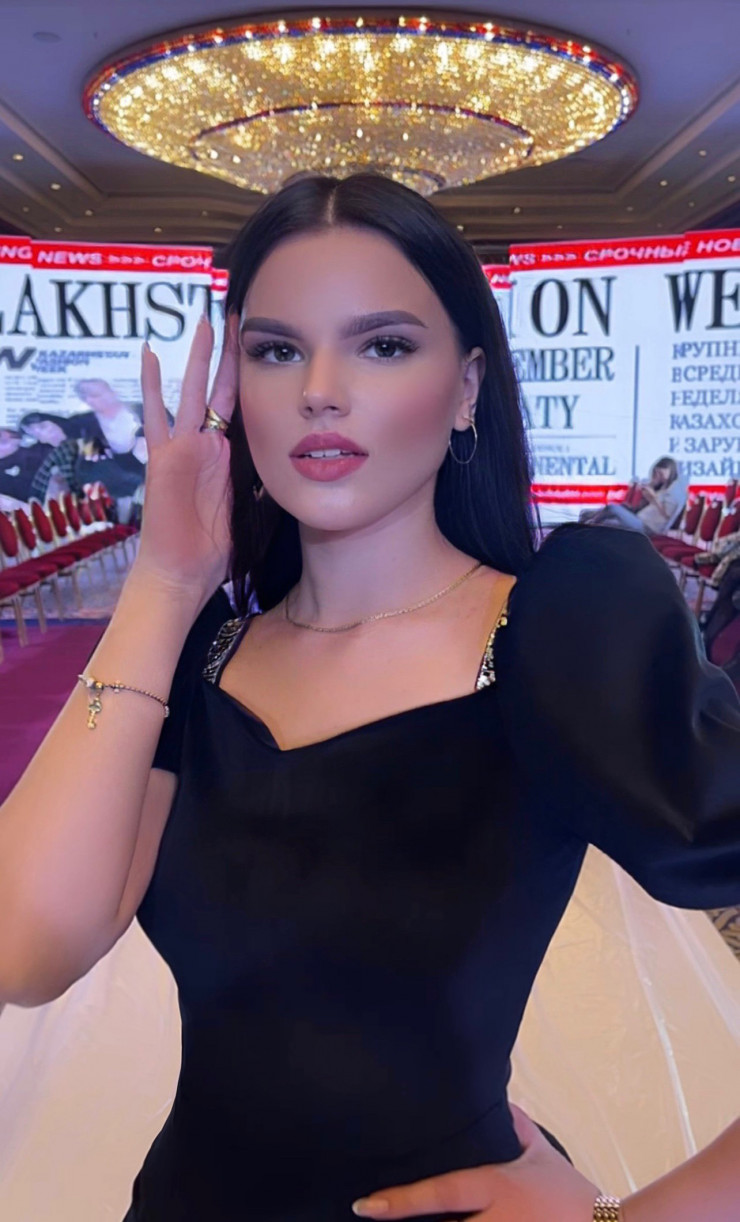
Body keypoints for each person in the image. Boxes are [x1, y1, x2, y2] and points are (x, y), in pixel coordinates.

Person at [0, 174, 737, 1222]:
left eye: (383, 345)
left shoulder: (557, 625)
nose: (320, 390)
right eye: (276, 351)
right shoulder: (203, 654)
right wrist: (163, 584)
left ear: (468, 386)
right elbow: (25, 947)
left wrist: (637, 1218)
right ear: (235, 388)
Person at [580, 457, 687, 536]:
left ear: (671, 471)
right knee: (607, 523)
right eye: (656, 473)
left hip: (648, 528)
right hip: (640, 520)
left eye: (661, 473)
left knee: (612, 508)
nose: (658, 475)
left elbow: (668, 515)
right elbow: (640, 508)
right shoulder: (661, 490)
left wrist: (654, 499)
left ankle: (590, 523)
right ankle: (588, 527)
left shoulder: (673, 492)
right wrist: (647, 495)